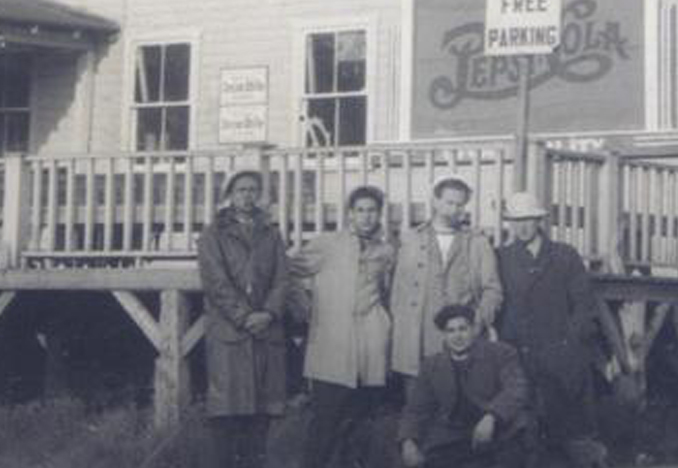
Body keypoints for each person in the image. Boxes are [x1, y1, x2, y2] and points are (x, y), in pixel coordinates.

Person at [495, 192, 606, 468]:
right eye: (516, 221)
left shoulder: (563, 256)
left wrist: (571, 344)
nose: (522, 227)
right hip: (519, 352)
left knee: (570, 425)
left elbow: (584, 305)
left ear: (539, 221)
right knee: (524, 424)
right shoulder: (502, 257)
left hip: (560, 353)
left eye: (528, 220)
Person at [292, 186, 396, 468]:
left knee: (360, 422)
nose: (366, 216)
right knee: (324, 422)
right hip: (333, 345)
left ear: (379, 214)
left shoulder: (386, 250)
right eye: (360, 210)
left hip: (370, 346)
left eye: (372, 210)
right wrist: (305, 307)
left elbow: (387, 292)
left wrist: (384, 324)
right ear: (350, 214)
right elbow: (290, 271)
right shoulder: (328, 243)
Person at [197, 171, 290, 468]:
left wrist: (269, 313)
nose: (247, 196)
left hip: (265, 331)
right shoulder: (214, 234)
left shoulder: (271, 232)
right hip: (230, 333)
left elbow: (282, 278)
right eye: (240, 190)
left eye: (253, 190)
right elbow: (216, 282)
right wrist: (244, 316)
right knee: (228, 415)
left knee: (260, 416)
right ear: (229, 195)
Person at [391, 176, 503, 380]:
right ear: (435, 201)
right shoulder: (410, 239)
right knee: (417, 403)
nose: (455, 210)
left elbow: (492, 289)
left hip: (459, 340)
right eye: (449, 202)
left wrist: (477, 323)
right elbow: (397, 289)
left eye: (460, 204)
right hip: (416, 341)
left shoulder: (477, 243)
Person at [398, 304, 529, 468]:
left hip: (501, 432)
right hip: (455, 436)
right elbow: (416, 409)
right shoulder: (431, 365)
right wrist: (408, 441)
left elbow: (516, 389)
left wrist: (492, 417)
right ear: (444, 335)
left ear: (474, 330)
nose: (457, 336)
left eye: (462, 329)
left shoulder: (501, 353)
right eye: (450, 331)